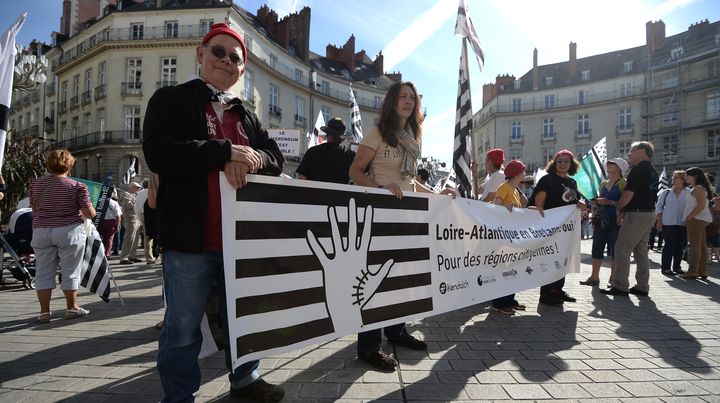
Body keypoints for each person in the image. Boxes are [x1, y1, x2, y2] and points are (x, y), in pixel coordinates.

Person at [142, 22, 285, 402]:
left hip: (241, 242)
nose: (226, 60)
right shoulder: (170, 99)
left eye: (235, 57)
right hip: (190, 240)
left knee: (244, 319)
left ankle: (245, 379)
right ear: (200, 54)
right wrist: (223, 152)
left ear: (242, 69)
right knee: (182, 327)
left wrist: (248, 159)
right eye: (218, 52)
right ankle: (179, 396)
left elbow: (276, 159)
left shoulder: (247, 115)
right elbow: (159, 152)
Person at [349, 80, 453, 372]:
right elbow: (355, 171)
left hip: (407, 216)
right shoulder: (377, 132)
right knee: (376, 282)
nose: (408, 101)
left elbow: (410, 182)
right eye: (403, 97)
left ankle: (396, 331)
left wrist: (435, 194)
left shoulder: (411, 136)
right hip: (382, 215)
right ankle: (368, 346)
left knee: (401, 278)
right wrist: (381, 188)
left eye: (413, 98)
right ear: (392, 101)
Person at [29, 149, 96, 323]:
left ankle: (44, 312)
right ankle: (72, 308)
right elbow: (89, 213)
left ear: (48, 164)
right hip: (69, 231)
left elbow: (35, 210)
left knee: (43, 270)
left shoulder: (35, 184)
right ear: (70, 164)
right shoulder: (78, 186)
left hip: (41, 230)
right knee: (70, 270)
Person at [601, 141, 658, 297]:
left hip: (637, 213)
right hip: (648, 213)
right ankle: (642, 286)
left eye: (632, 151)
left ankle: (620, 285)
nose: (629, 154)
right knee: (640, 251)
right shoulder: (652, 170)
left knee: (621, 249)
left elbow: (629, 193)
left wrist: (620, 207)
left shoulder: (638, 170)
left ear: (641, 151)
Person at [528, 150, 584, 306]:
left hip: (566, 229)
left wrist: (581, 204)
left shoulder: (572, 183)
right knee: (549, 260)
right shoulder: (548, 180)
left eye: (566, 161)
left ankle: (558, 290)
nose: (563, 164)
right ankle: (545, 294)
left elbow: (576, 201)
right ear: (554, 163)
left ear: (571, 164)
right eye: (559, 161)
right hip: (549, 227)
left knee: (563, 259)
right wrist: (543, 225)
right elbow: (539, 203)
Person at [580, 158, 628, 287]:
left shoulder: (623, 183)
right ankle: (594, 277)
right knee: (597, 247)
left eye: (612, 164)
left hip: (616, 221)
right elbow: (597, 202)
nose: (608, 164)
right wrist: (594, 206)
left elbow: (627, 203)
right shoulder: (603, 184)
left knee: (614, 250)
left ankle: (613, 278)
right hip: (601, 220)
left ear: (619, 168)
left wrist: (610, 202)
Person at [491, 160, 528, 315]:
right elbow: (494, 206)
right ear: (518, 173)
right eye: (523, 171)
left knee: (513, 269)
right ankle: (499, 303)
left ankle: (509, 300)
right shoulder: (504, 187)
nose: (525, 173)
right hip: (504, 236)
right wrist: (505, 208)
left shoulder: (514, 190)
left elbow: (518, 209)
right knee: (505, 269)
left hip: (513, 236)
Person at [296, 117, 355, 183]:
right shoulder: (351, 155)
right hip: (340, 193)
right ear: (343, 137)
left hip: (313, 192)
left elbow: (302, 178)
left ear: (327, 134)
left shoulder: (312, 152)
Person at [680, 167, 714, 279]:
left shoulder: (698, 188)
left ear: (694, 176)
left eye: (686, 175)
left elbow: (701, 205)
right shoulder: (699, 188)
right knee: (702, 246)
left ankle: (693, 271)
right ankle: (702, 271)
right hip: (700, 219)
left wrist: (689, 217)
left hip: (696, 219)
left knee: (695, 246)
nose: (685, 177)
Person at [655, 171, 690, 275]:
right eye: (673, 177)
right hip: (668, 222)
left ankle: (677, 267)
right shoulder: (666, 192)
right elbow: (659, 206)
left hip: (683, 223)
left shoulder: (689, 192)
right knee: (668, 245)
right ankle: (665, 268)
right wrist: (659, 221)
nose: (673, 179)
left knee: (679, 246)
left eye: (676, 177)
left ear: (683, 179)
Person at [119, 181, 142, 264]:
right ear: (132, 187)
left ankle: (132, 255)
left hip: (136, 219)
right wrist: (136, 202)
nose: (139, 189)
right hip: (130, 219)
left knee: (135, 239)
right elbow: (126, 205)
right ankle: (124, 257)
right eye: (137, 187)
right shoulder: (127, 194)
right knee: (129, 239)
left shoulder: (135, 194)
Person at [100, 189, 122, 257]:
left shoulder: (100, 201)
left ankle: (100, 253)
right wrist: (118, 226)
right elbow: (118, 216)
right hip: (111, 222)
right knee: (109, 239)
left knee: (100, 238)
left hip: (100, 221)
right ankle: (106, 254)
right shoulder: (114, 202)